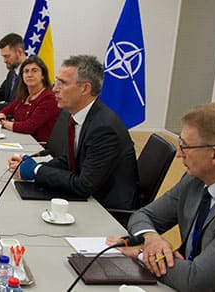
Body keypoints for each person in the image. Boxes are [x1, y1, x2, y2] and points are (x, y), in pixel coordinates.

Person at [109, 102, 215, 291]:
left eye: (185, 147)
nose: (178, 154)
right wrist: (152, 238)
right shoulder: (194, 180)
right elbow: (144, 215)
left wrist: (142, 254)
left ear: (214, 155)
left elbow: (194, 281)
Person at [9, 55, 138, 210]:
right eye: (56, 82)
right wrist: (35, 166)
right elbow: (69, 160)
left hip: (103, 208)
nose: (54, 89)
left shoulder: (104, 128)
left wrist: (36, 171)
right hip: (86, 196)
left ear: (85, 88)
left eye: (62, 84)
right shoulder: (80, 115)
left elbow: (84, 185)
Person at [0, 56, 59, 142]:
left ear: (43, 75)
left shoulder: (49, 98)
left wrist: (3, 123)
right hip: (20, 140)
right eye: (26, 71)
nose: (29, 75)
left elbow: (28, 127)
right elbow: (4, 110)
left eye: (34, 71)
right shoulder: (24, 95)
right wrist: (1, 116)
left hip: (38, 146)